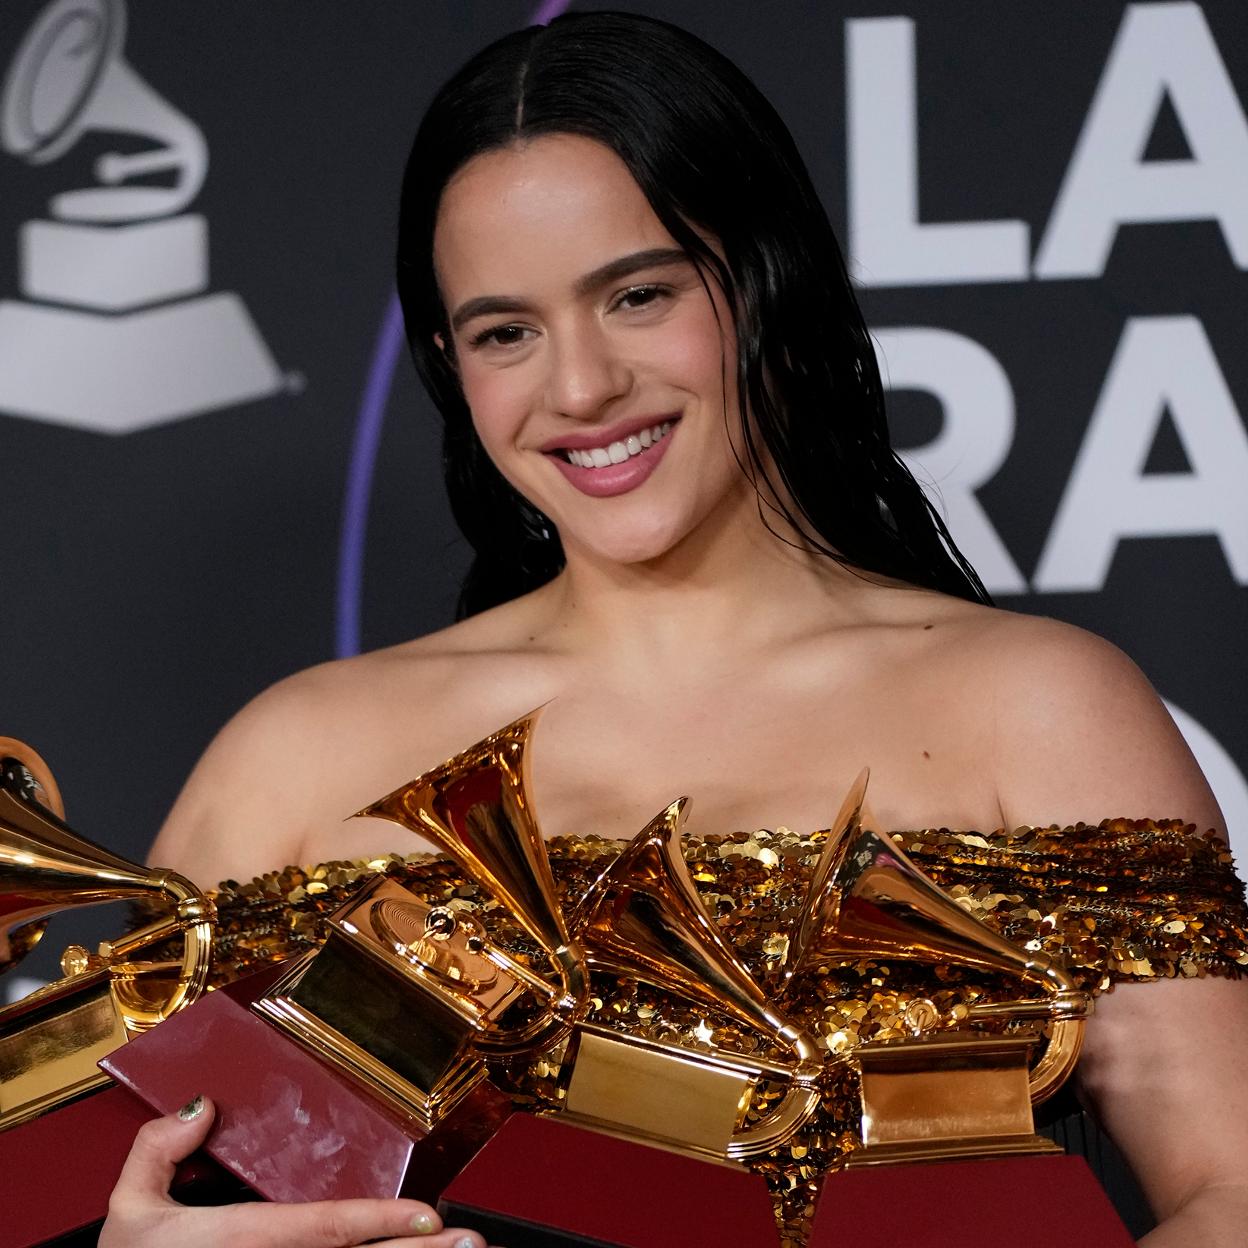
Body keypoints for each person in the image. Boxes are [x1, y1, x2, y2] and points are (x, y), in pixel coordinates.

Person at [103, 12, 1247, 1247]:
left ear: (762, 284)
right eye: (506, 333)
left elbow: (1227, 1193)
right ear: (449, 362)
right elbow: (135, 1187)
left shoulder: (1037, 707)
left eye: (638, 296)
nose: (582, 387)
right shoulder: (290, 756)